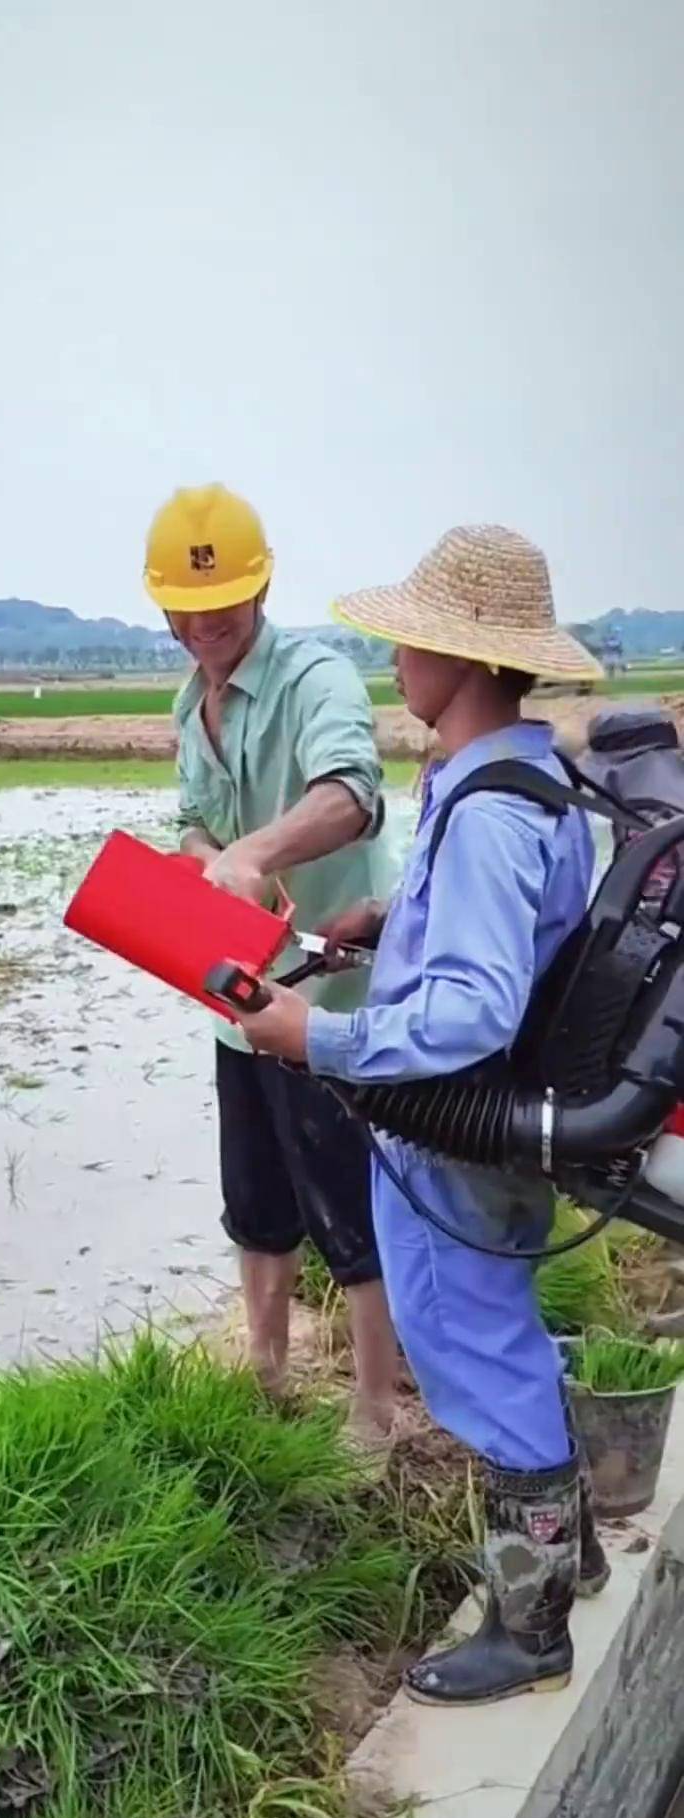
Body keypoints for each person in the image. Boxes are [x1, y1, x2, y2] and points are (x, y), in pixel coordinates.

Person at [227, 522, 611, 1707]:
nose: (393, 657)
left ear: (470, 661)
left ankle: (531, 1626)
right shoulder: (513, 776)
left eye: (413, 640)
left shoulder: (489, 807)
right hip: (479, 1132)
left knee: (476, 1354)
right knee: (501, 1342)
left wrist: (320, 1036)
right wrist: (385, 921)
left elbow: (478, 1005)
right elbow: (498, 935)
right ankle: (575, 1554)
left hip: (453, 1139)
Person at [143, 483, 399, 1433]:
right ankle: (267, 1374)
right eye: (187, 611)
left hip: (333, 995)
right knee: (253, 1197)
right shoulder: (188, 705)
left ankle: (376, 1409)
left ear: (261, 589)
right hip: (238, 998)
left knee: (351, 1205)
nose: (205, 627)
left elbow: (351, 795)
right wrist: (212, 858)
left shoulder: (315, 680)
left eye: (223, 607)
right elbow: (192, 829)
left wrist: (257, 853)